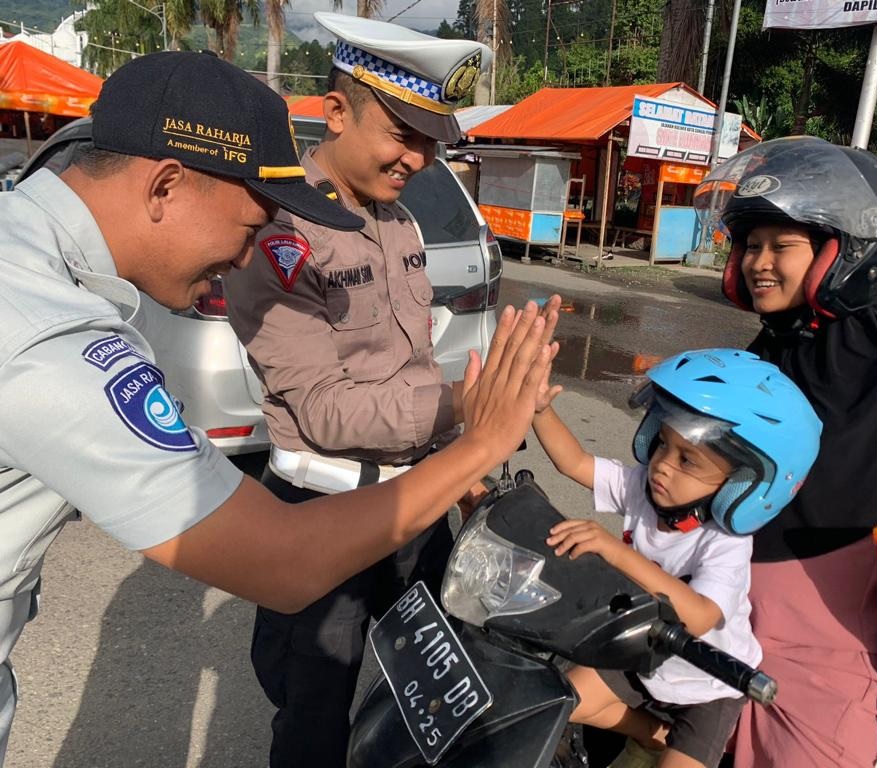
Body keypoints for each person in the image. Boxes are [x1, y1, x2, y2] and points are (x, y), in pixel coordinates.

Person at [0, 50, 558, 766]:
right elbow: (284, 557)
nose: (241, 261)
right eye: (245, 227)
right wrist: (480, 435)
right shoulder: (50, 333)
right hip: (323, 507)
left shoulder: (30, 257)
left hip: (398, 508)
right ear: (166, 186)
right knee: (313, 718)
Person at [221, 14, 497, 765]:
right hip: (326, 511)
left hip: (415, 503)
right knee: (314, 714)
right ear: (337, 111)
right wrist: (465, 410)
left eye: (430, 141)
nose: (419, 157)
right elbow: (324, 407)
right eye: (403, 132)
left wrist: (463, 451)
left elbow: (408, 366)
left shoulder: (399, 223)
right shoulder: (283, 237)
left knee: (438, 690)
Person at [693, 136, 877, 768]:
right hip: (728, 628)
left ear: (841, 255)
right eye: (750, 245)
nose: (756, 262)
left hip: (828, 659)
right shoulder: (766, 355)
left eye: (781, 246)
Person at [532, 348, 822, 768]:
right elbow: (574, 462)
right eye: (662, 444)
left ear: (741, 483)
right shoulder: (645, 490)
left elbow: (701, 616)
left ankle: (671, 738)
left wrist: (614, 551)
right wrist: (540, 410)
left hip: (709, 683)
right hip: (644, 652)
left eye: (688, 459)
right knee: (560, 701)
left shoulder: (724, 541)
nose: (662, 466)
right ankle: (652, 733)